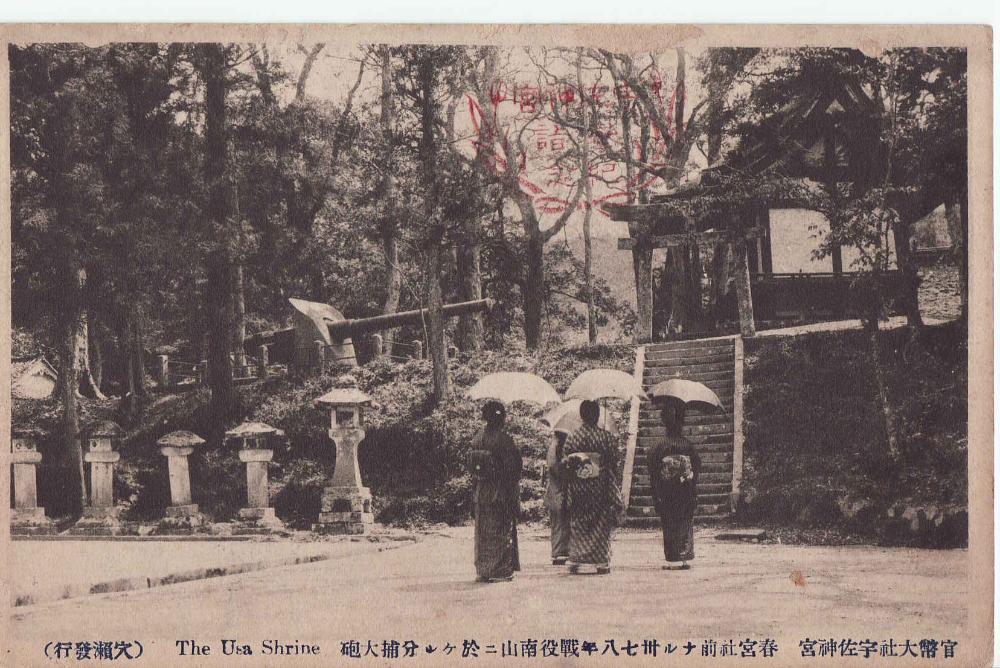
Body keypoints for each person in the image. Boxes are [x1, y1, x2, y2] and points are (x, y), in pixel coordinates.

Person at [562, 400, 622, 575]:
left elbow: (566, 459)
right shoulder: (605, 437)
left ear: (581, 416)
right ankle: (600, 560)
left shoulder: (573, 437)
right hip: (599, 484)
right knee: (601, 519)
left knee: (579, 519)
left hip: (578, 483)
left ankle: (578, 557)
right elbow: (614, 459)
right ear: (596, 415)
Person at [469, 400, 522, 583]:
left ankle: (483, 569)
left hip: (480, 490)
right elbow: (513, 468)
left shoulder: (478, 438)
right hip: (499, 491)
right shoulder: (504, 440)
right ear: (502, 419)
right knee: (500, 529)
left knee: (483, 531)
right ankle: (499, 570)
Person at [648, 397, 701, 570]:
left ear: (664, 422)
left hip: (666, 491)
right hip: (685, 489)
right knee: (685, 521)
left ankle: (672, 558)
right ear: (681, 423)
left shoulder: (658, 447)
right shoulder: (687, 445)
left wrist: (656, 494)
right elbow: (697, 466)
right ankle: (684, 557)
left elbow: (653, 471)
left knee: (669, 522)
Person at [544, 429, 570, 565]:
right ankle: (559, 552)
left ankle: (561, 551)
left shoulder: (555, 446)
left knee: (560, 522)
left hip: (556, 489)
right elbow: (555, 467)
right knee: (560, 521)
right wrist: (566, 464)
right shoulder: (556, 447)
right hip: (557, 489)